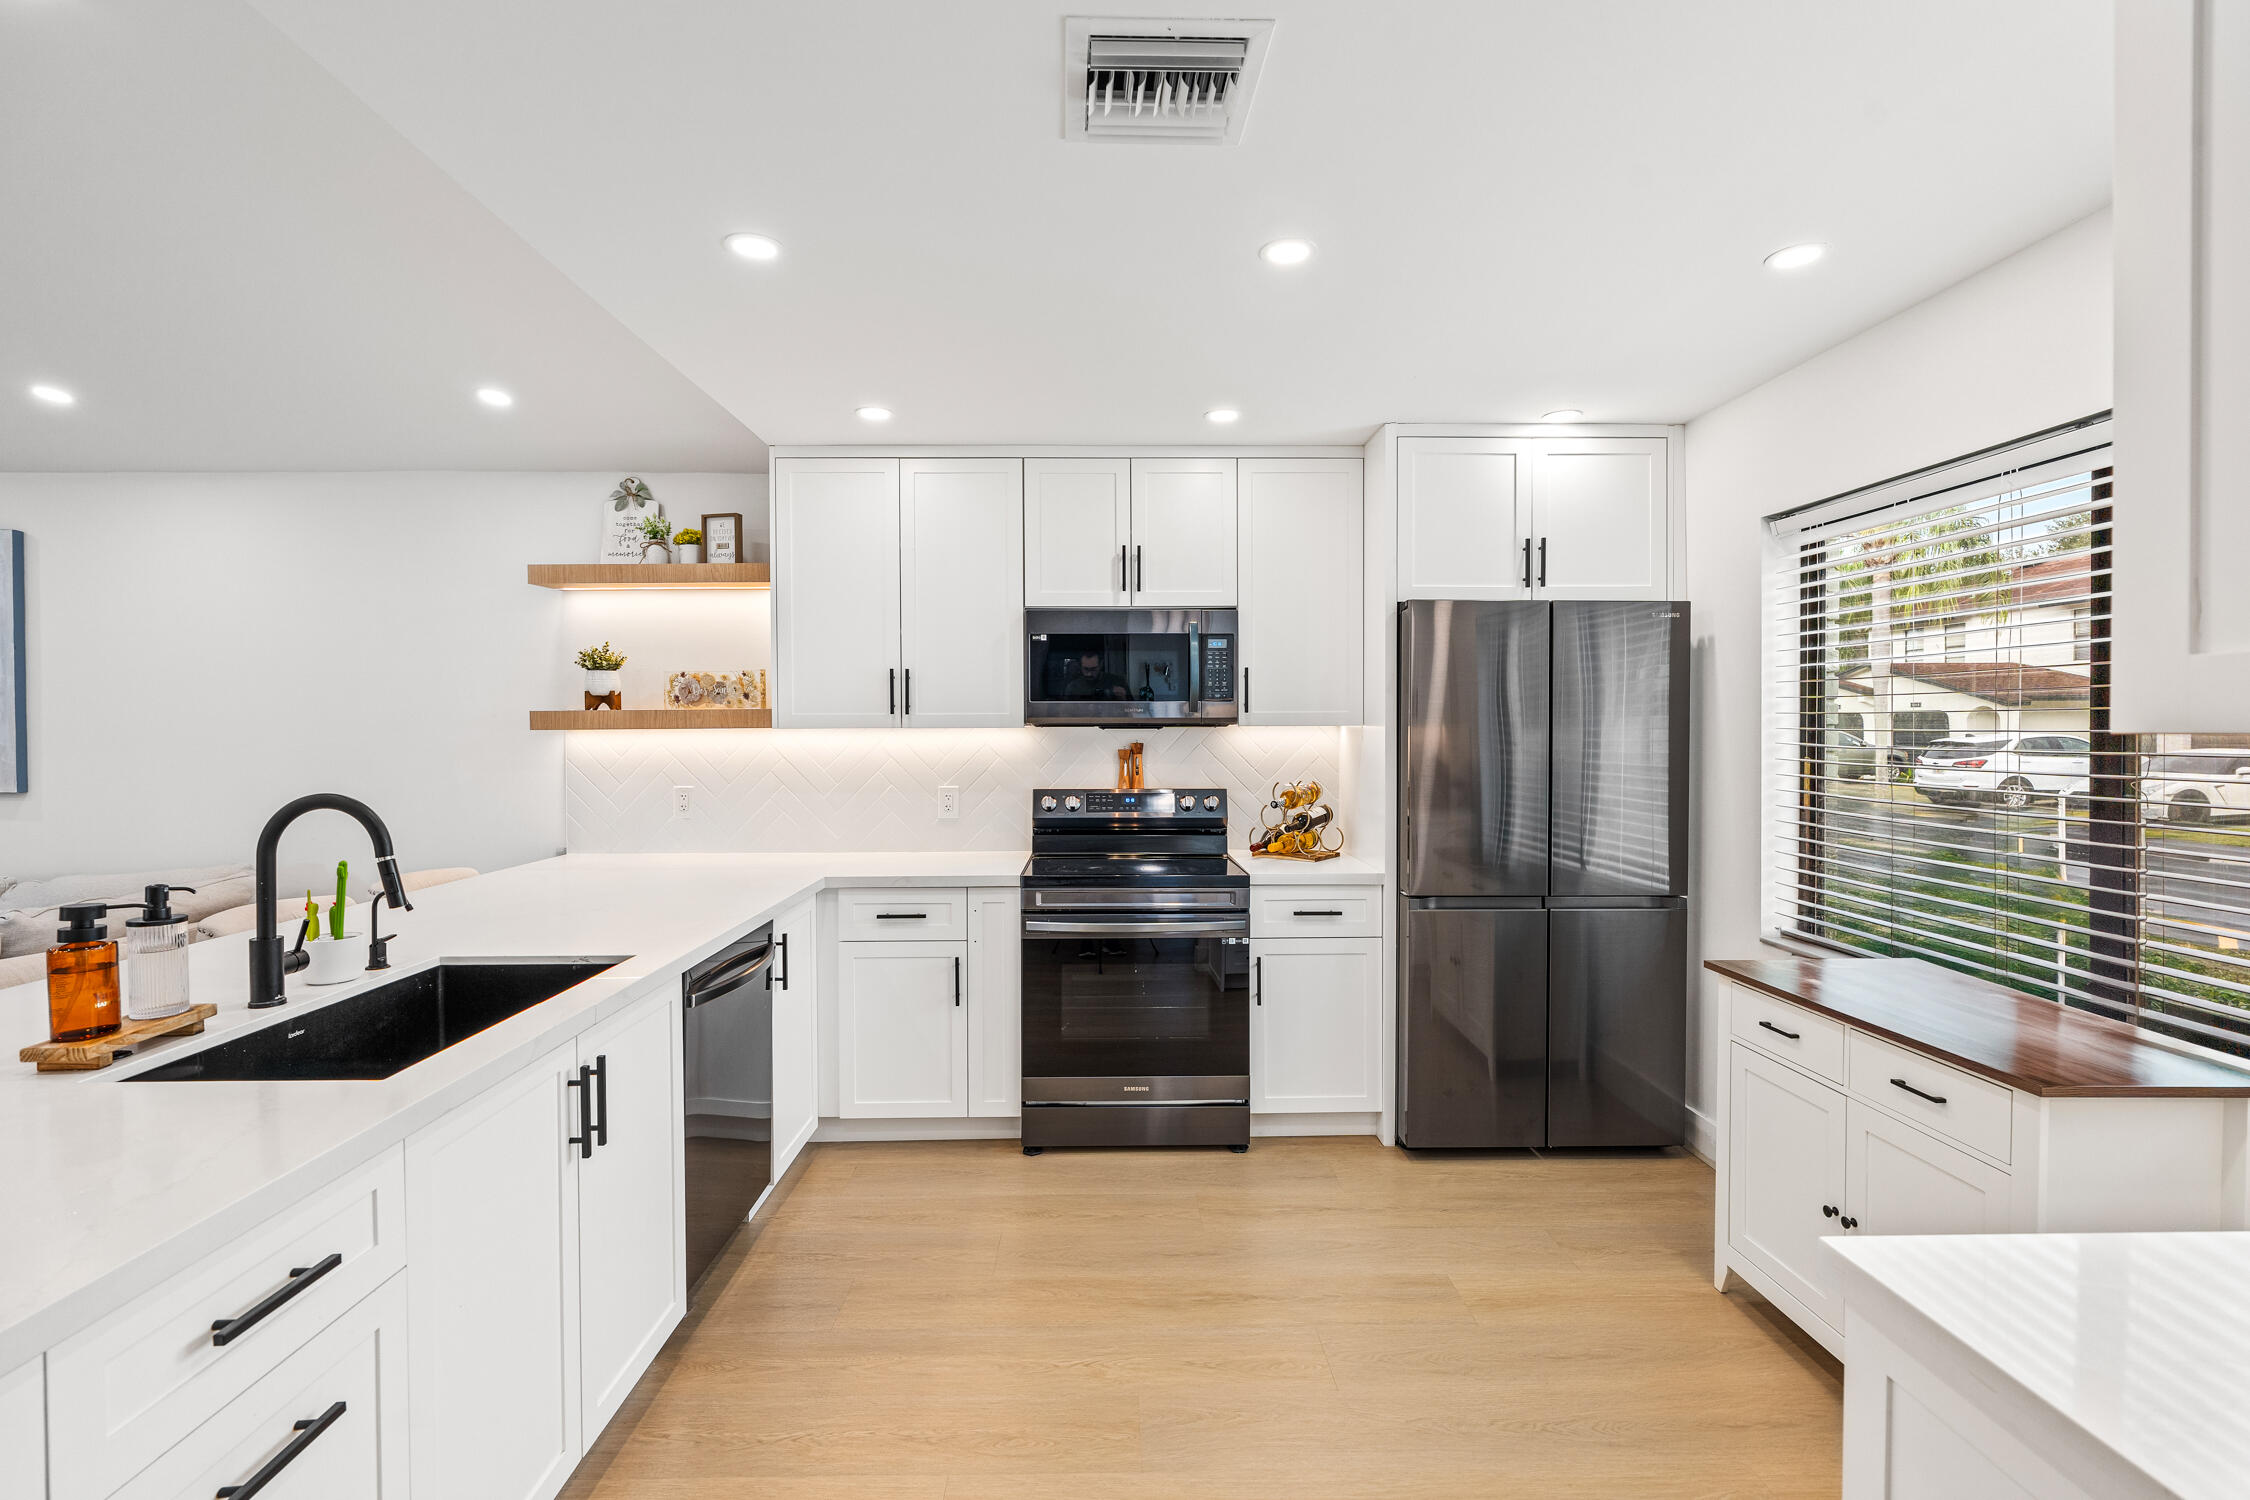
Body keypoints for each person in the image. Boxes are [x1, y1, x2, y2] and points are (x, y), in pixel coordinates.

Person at [1059, 648, 1131, 700]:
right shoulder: (1073, 687)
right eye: (1086, 669)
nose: (1089, 674)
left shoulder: (1117, 681)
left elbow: (1134, 712)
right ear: (1080, 666)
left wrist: (1123, 699)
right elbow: (1065, 714)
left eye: (1093, 669)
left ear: (1101, 665)